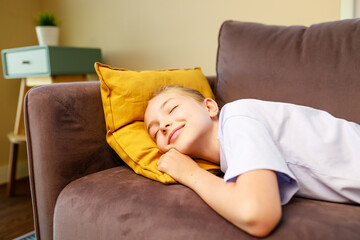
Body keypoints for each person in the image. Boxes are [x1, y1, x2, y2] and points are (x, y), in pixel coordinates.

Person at [144, 85, 360, 237]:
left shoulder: (238, 117)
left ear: (209, 107)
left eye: (172, 109)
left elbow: (257, 214)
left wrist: (189, 173)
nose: (163, 125)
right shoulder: (229, 160)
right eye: (155, 132)